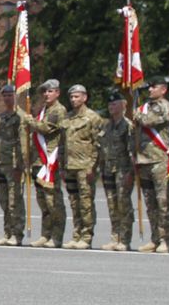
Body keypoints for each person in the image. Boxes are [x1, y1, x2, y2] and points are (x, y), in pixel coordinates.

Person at [17, 79, 66, 248]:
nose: (46, 94)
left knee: (53, 201)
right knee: (42, 201)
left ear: (57, 93)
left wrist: (28, 119)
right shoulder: (44, 110)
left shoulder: (58, 111)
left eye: (50, 91)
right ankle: (46, 234)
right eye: (44, 91)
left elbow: (45, 128)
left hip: (50, 160)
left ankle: (57, 236)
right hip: (39, 160)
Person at [135, 77, 169, 254]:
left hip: (160, 161)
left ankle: (167, 240)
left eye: (154, 87)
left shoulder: (165, 106)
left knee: (163, 202)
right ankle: (155, 238)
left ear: (163, 89)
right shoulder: (144, 107)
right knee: (150, 203)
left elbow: (147, 122)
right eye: (149, 87)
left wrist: (135, 113)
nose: (150, 89)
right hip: (144, 160)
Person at [60, 84, 102, 249]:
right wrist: (62, 167)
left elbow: (97, 145)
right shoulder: (68, 118)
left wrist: (93, 166)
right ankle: (76, 234)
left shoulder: (93, 118)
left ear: (85, 97)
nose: (73, 99)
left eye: (77, 96)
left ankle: (87, 236)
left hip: (85, 167)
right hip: (70, 166)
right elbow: (63, 144)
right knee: (74, 202)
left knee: (86, 203)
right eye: (71, 97)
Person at [0, 84, 26, 246]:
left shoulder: (20, 117)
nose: (7, 98)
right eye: (4, 95)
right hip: (0, 163)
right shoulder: (1, 117)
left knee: (15, 201)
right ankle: (7, 232)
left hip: (13, 165)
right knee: (4, 201)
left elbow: (23, 143)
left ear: (15, 96)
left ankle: (17, 233)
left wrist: (21, 165)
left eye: (10, 95)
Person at [100, 91, 135, 251]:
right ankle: (115, 236)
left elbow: (132, 151)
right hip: (108, 169)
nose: (111, 107)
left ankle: (125, 238)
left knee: (123, 204)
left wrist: (131, 173)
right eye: (109, 104)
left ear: (123, 105)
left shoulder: (128, 126)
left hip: (123, 170)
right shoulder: (107, 125)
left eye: (114, 104)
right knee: (112, 204)